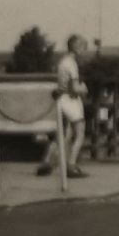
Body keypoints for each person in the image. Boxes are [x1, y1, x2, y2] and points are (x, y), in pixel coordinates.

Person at [39, 35, 88, 178]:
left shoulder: (62, 62)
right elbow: (74, 87)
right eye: (83, 48)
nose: (84, 51)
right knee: (80, 132)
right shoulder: (72, 64)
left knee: (63, 134)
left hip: (61, 99)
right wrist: (84, 89)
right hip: (71, 100)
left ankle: (46, 161)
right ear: (77, 47)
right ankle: (71, 165)